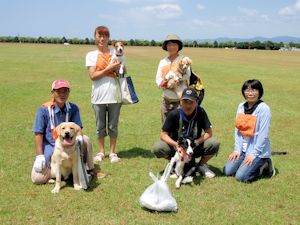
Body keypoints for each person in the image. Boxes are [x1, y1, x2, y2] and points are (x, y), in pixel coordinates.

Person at [31, 80, 94, 184]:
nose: (62, 94)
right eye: (58, 91)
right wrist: (39, 156)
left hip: (70, 143)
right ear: (52, 93)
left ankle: (90, 170)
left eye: (65, 91)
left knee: (86, 139)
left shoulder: (73, 108)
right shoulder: (43, 109)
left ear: (68, 93)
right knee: (37, 179)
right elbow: (38, 134)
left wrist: (79, 138)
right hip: (51, 145)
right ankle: (62, 172)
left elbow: (78, 129)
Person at [152, 88, 220, 178]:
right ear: (180, 102)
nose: (188, 105)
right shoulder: (174, 114)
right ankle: (174, 163)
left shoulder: (201, 112)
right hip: (177, 149)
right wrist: (176, 145)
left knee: (214, 143)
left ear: (196, 102)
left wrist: (196, 142)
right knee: (158, 147)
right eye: (185, 101)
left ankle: (201, 165)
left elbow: (209, 133)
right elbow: (163, 135)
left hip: (194, 147)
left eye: (191, 102)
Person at [85, 26, 125, 164]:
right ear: (95, 37)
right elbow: (93, 76)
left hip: (115, 95)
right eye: (99, 35)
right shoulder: (91, 55)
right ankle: (101, 152)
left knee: (113, 125)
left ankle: (113, 152)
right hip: (98, 96)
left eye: (105, 36)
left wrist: (121, 68)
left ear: (109, 38)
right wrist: (109, 68)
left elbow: (123, 73)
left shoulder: (116, 53)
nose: (102, 38)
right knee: (100, 126)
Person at [223, 79, 275, 182]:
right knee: (227, 171)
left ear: (260, 92)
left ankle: (265, 164)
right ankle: (244, 165)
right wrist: (237, 150)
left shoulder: (263, 109)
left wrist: (254, 154)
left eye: (254, 90)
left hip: (257, 152)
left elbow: (263, 134)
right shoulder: (241, 106)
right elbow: (238, 129)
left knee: (241, 177)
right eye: (247, 90)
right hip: (243, 150)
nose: (250, 93)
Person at [155, 34, 191, 124]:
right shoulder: (163, 62)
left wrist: (175, 78)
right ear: (166, 46)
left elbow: (187, 75)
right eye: (169, 44)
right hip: (166, 101)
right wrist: (164, 83)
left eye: (174, 44)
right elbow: (158, 79)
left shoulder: (184, 59)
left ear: (179, 46)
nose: (172, 47)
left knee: (180, 128)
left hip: (180, 102)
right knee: (166, 128)